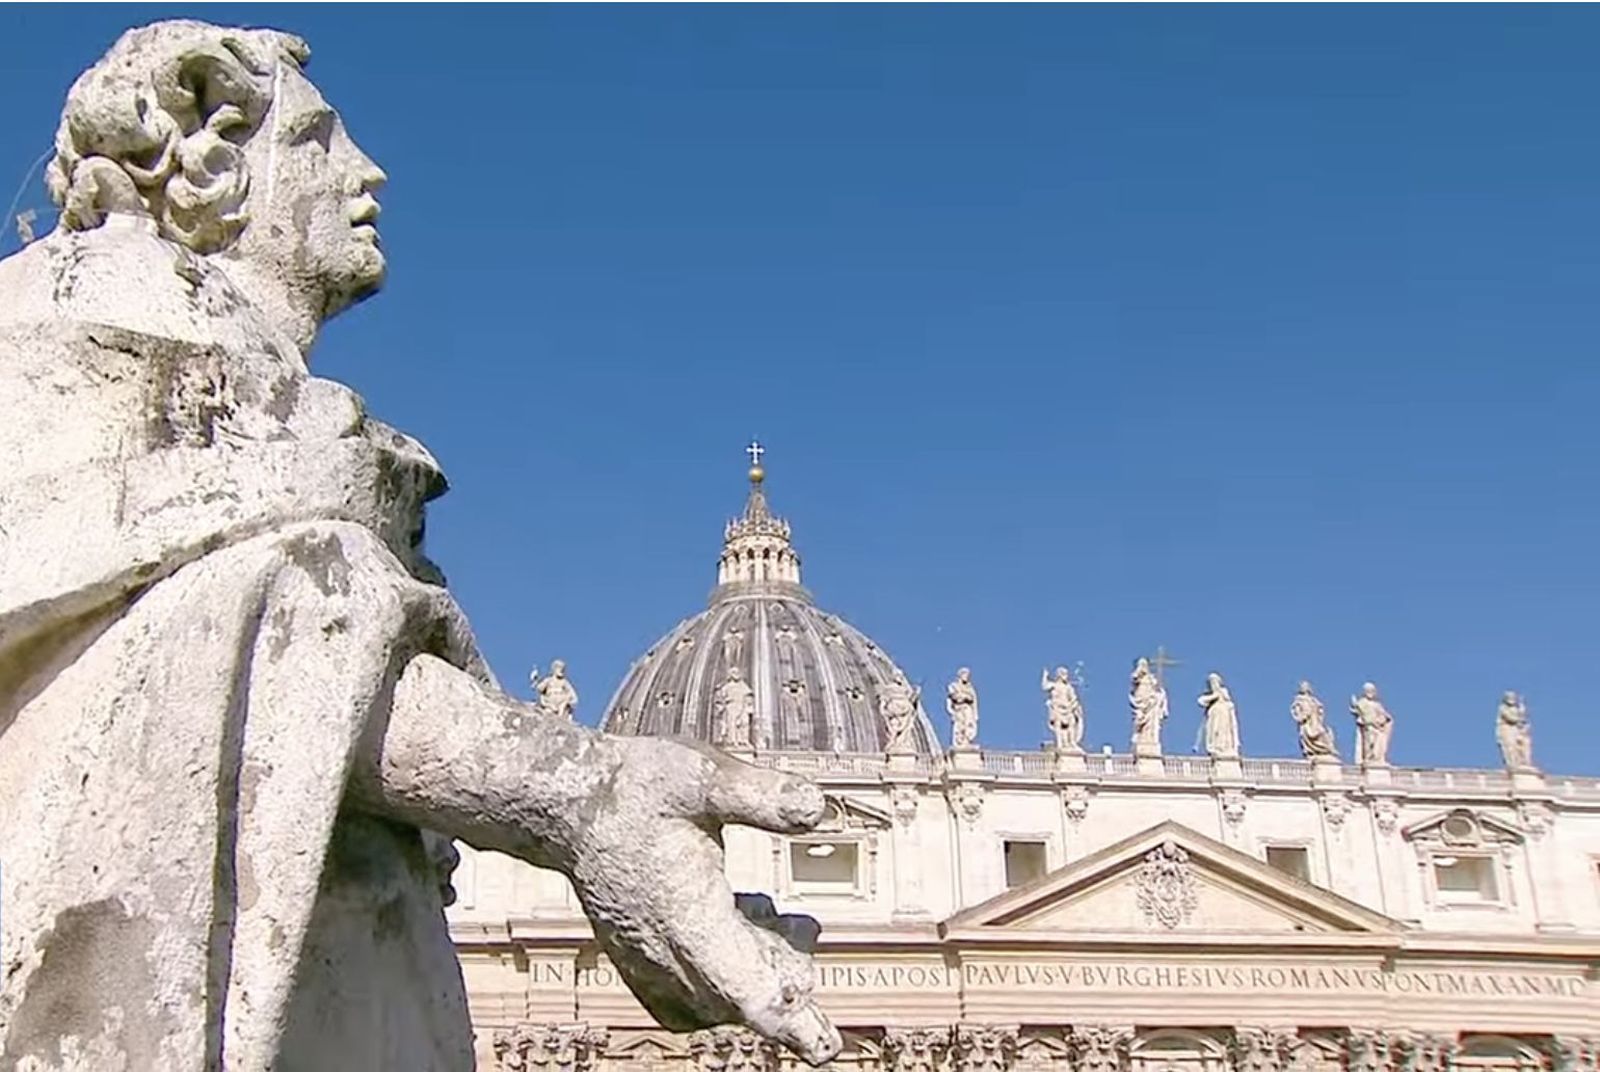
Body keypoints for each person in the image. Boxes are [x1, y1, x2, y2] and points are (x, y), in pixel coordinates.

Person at [0, 21, 839, 1070]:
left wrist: (579, 796)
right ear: (207, 153)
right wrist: (571, 790)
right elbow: (264, 615)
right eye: (315, 141)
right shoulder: (87, 323)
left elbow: (304, 658)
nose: (367, 170)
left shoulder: (268, 406)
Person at [1348, 682, 1394, 765]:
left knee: (1378, 745)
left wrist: (1384, 720)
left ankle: (1377, 759)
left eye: (1372, 690)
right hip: (1368, 726)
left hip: (1378, 727)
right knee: (1369, 743)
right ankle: (1369, 759)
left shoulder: (1377, 705)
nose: (1370, 692)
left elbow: (1385, 715)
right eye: (1368, 690)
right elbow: (1357, 711)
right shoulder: (1362, 702)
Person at [1130, 657, 1168, 757]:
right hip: (1142, 698)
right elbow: (1134, 678)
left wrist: (1159, 694)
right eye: (1141, 665)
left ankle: (1149, 741)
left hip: (1151, 701)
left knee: (1152, 720)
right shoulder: (1138, 677)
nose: (1143, 667)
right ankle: (1142, 739)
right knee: (1141, 718)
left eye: (1144, 665)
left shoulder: (1151, 679)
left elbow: (1158, 690)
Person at [1197, 672, 1241, 758]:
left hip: (1224, 715)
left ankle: (1225, 749)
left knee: (1224, 732)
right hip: (1214, 716)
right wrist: (1214, 696)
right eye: (1211, 683)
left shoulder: (1224, 693)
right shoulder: (1211, 695)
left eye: (1214, 682)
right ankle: (1215, 748)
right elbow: (1200, 701)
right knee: (1215, 731)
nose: (1213, 685)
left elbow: (1230, 705)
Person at [1290, 680, 1338, 759]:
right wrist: (1302, 717)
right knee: (1313, 734)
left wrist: (1319, 711)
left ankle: (1327, 750)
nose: (1304, 688)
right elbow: (1295, 711)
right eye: (1303, 686)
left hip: (1315, 721)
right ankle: (1319, 751)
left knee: (1323, 732)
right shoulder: (1299, 700)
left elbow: (1320, 708)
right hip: (1307, 723)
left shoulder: (1313, 700)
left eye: (1306, 686)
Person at [1042, 666, 1084, 753]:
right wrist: (1045, 676)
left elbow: (1073, 698)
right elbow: (1045, 686)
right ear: (1059, 675)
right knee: (1058, 725)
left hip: (1067, 708)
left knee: (1071, 724)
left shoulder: (1068, 687)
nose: (1066, 676)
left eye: (1066, 674)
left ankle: (1072, 742)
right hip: (1057, 708)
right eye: (1064, 674)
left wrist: (1075, 706)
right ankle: (1060, 743)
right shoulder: (1054, 685)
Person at [1495, 690, 1534, 770]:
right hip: (1507, 730)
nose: (1512, 699)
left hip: (1517, 730)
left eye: (1513, 697)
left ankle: (1523, 763)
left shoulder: (1517, 708)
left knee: (1522, 746)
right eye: (1509, 697)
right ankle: (1513, 764)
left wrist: (1522, 711)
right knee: (1510, 747)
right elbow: (1510, 718)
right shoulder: (1502, 708)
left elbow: (1522, 717)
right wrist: (1519, 720)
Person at [946, 667, 979, 748]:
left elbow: (972, 699)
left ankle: (966, 741)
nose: (967, 677)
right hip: (959, 709)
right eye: (965, 675)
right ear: (960, 676)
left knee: (968, 725)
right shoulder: (953, 686)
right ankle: (961, 741)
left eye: (968, 675)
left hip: (967, 710)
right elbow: (953, 696)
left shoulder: (970, 688)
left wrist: (965, 697)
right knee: (960, 726)